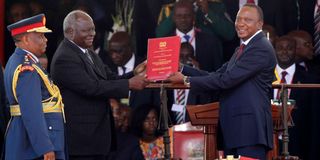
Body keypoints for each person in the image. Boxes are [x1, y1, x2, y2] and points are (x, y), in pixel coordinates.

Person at [168, 4, 275, 159]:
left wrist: (185, 80)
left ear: (260, 24)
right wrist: (182, 68)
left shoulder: (260, 48)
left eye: (248, 20)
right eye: (238, 19)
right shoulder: (242, 49)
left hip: (249, 130)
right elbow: (215, 75)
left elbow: (226, 80)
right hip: (236, 129)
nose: (241, 23)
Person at [50, 10, 147, 159]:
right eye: (86, 30)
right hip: (82, 142)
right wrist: (129, 84)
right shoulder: (65, 57)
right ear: (70, 32)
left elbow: (110, 78)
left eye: (93, 29)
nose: (92, 33)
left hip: (96, 139)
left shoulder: (88, 52)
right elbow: (91, 87)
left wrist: (135, 73)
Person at [4, 14, 66, 160]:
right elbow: (32, 111)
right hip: (32, 147)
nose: (45, 39)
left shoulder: (19, 60)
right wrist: (45, 147)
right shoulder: (27, 68)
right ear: (26, 39)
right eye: (40, 35)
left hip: (29, 141)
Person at [273, 35, 318, 159]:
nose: (284, 52)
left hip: (299, 145)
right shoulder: (262, 77)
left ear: (296, 51)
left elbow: (315, 121)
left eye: (289, 48)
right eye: (280, 48)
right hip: (268, 145)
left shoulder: (310, 80)